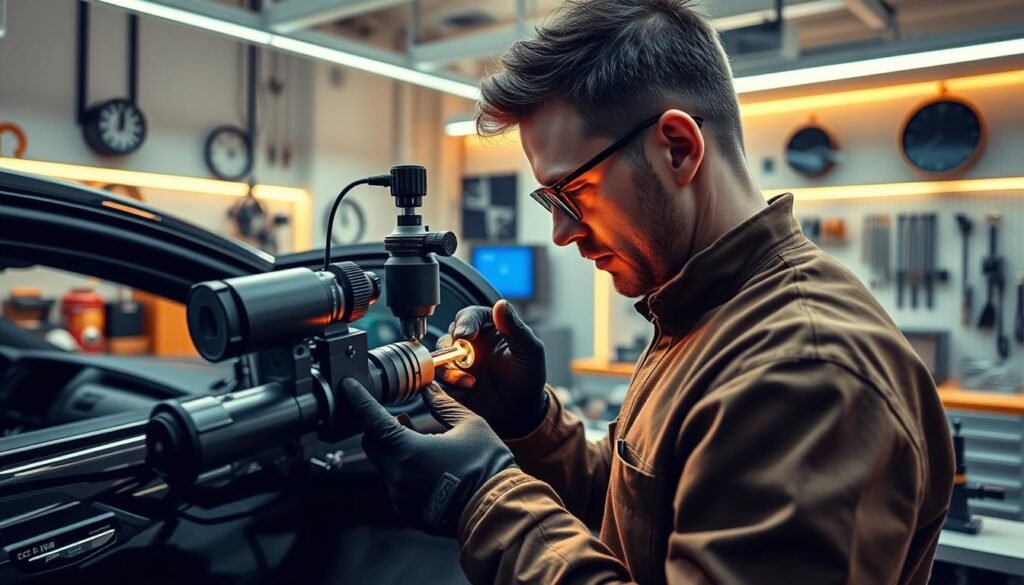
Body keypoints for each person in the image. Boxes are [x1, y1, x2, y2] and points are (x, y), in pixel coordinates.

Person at [340, 0, 955, 583]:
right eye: (547, 200)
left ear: (678, 149)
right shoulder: (701, 314)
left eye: (571, 192)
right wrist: (530, 425)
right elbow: (641, 511)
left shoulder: (805, 371)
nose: (560, 232)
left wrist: (483, 499)